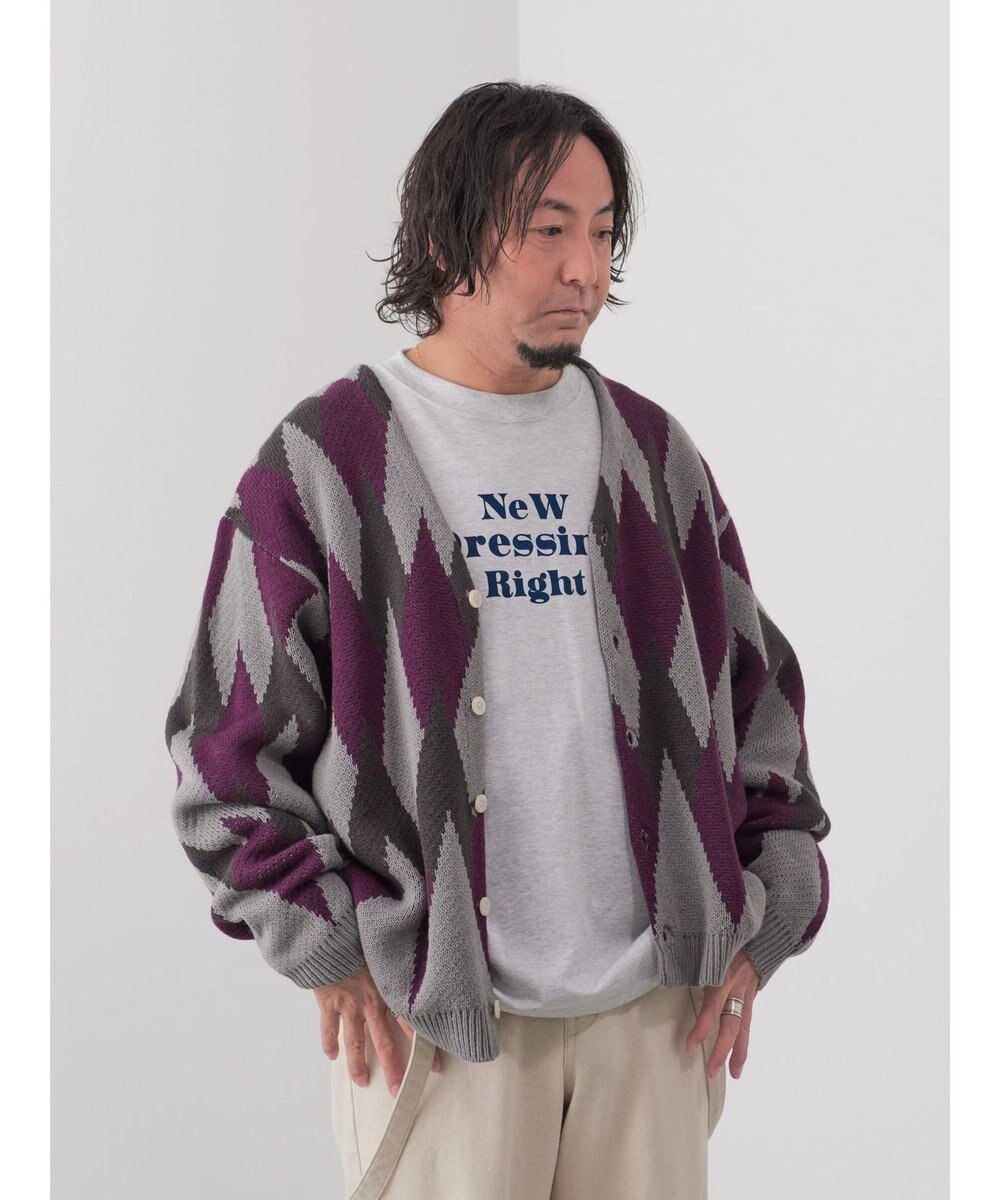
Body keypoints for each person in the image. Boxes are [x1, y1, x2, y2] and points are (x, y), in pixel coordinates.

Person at [164, 81, 831, 1200]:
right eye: (548, 229)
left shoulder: (653, 457)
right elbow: (223, 753)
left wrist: (765, 913)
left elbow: (760, 708)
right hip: (436, 1028)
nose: (586, 270)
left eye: (603, 232)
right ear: (445, 237)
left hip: (655, 1026)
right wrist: (327, 941)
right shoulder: (325, 465)